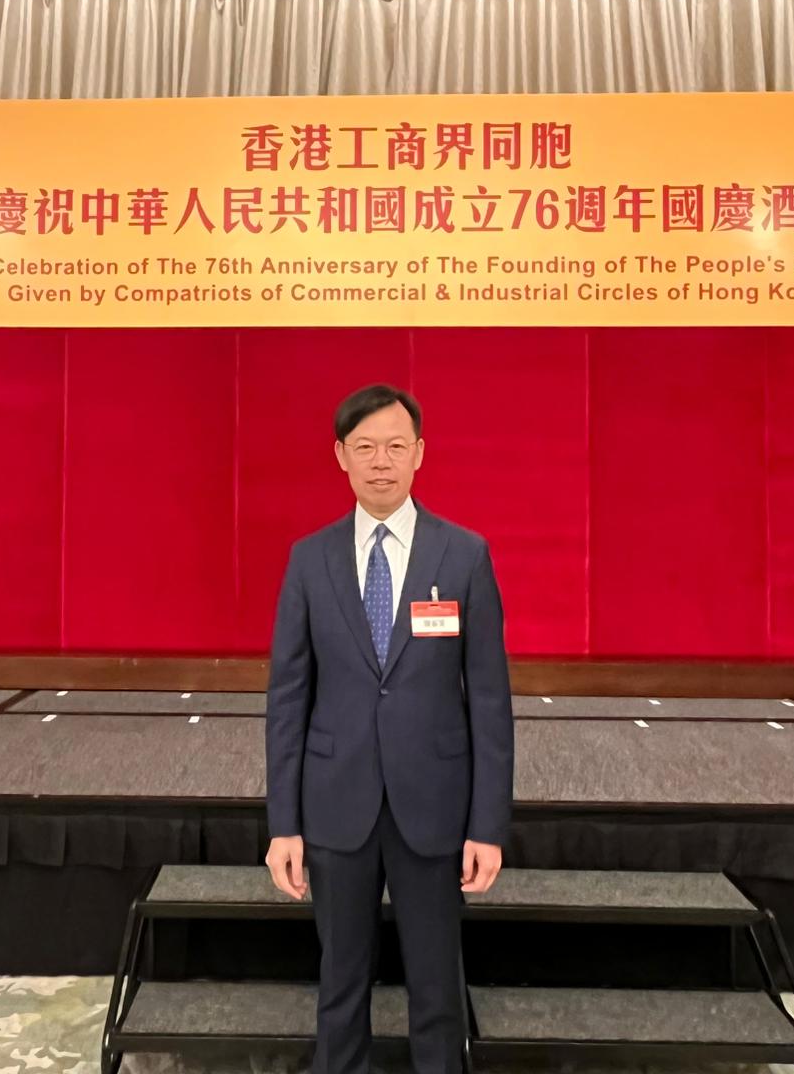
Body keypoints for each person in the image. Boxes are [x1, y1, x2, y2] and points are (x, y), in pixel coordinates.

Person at [264, 383, 515, 1074]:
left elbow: (489, 701)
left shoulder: (463, 555)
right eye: (366, 447)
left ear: (420, 454)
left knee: (436, 986)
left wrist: (488, 826)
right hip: (334, 804)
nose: (382, 462)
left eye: (396, 446)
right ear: (340, 455)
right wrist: (283, 824)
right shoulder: (309, 559)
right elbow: (288, 699)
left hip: (434, 807)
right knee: (340, 982)